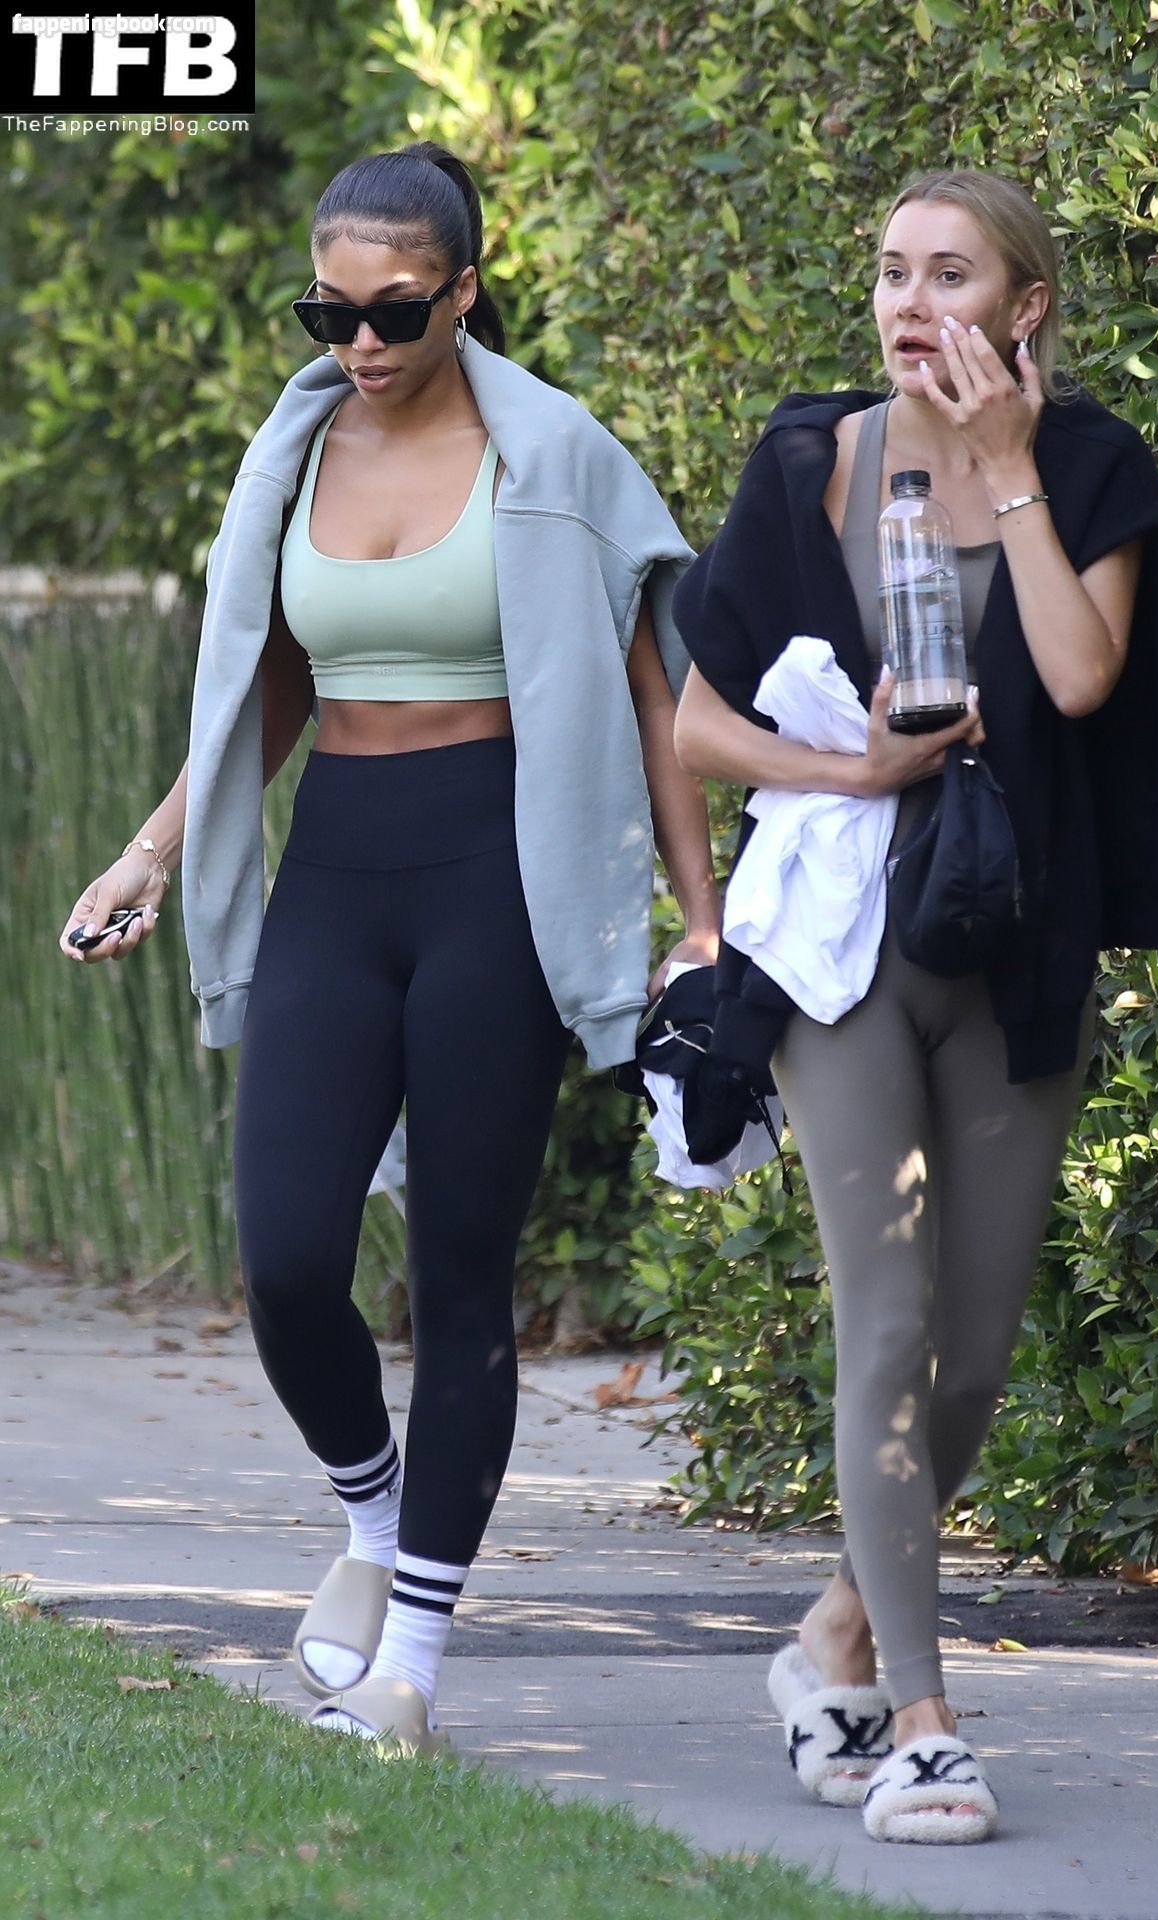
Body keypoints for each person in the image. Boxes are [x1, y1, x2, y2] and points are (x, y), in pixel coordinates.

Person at [59, 140, 719, 1753]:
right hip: (338, 873)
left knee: (460, 1277)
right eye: (330, 311)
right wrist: (153, 848)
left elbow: (652, 692)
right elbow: (271, 680)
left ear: (464, 292)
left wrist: (699, 924)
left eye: (396, 311)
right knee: (286, 1258)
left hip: (499, 874)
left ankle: (410, 1664)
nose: (360, 342)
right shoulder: (292, 452)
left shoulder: (553, 453)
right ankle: (370, 1510)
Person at [671, 168, 1158, 1842]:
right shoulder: (809, 462)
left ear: (1023, 307)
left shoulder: (1094, 467)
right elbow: (698, 724)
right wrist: (853, 767)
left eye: (951, 275)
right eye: (893, 271)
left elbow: (1081, 676)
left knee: (972, 1355)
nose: (912, 303)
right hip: (846, 950)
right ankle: (922, 1722)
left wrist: (1006, 468)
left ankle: (836, 1637)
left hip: (1021, 949)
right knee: (887, 1323)